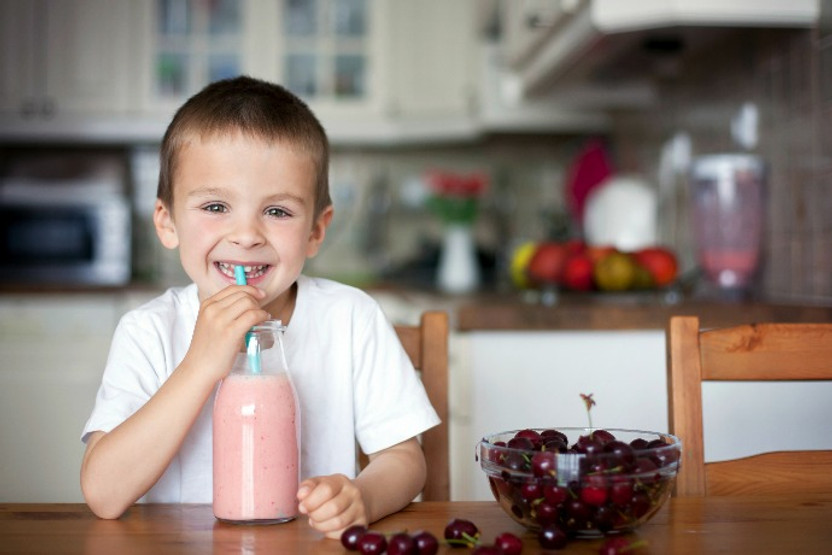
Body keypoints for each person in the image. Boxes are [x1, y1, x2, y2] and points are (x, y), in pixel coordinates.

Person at [80, 76, 440, 538]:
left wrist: (362, 496)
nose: (247, 235)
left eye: (277, 212)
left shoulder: (350, 318)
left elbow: (404, 460)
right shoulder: (148, 331)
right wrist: (201, 363)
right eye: (214, 206)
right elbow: (104, 495)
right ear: (167, 223)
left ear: (315, 229)